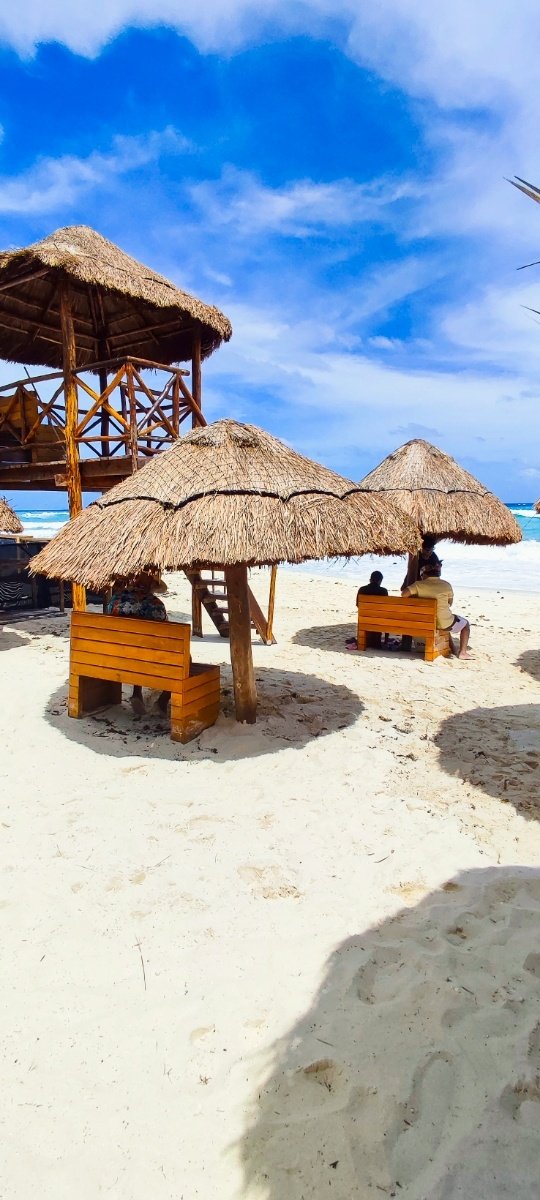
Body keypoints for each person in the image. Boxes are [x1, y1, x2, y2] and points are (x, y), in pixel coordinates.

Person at [106, 571, 170, 714]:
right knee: (184, 658)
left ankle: (137, 693)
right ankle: (162, 701)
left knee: (137, 649)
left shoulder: (114, 600)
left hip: (113, 654)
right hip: (146, 658)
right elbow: (165, 635)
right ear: (152, 585)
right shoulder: (155, 605)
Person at [401, 562, 471, 659]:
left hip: (425, 621)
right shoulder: (446, 585)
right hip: (443, 622)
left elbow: (403, 594)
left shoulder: (418, 585)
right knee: (465, 624)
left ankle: (454, 649)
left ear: (424, 574)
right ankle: (463, 653)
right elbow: (449, 603)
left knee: (444, 623)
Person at [354, 570, 389, 650]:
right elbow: (385, 608)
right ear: (380, 581)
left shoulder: (362, 590)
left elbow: (358, 605)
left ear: (370, 579)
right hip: (379, 620)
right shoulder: (383, 591)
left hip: (365, 618)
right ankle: (382, 641)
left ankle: (366, 639)